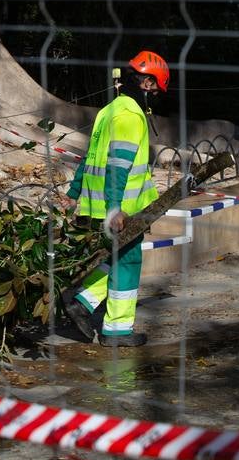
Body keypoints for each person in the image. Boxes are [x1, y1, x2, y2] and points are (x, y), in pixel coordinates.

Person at [61, 50, 170, 347]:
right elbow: (117, 166)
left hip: (99, 204)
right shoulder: (131, 115)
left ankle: (82, 302)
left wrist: (74, 193)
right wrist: (115, 210)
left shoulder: (108, 111)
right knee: (128, 260)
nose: (156, 97)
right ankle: (117, 330)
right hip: (119, 208)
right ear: (147, 84)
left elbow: (89, 158)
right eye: (157, 90)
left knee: (115, 257)